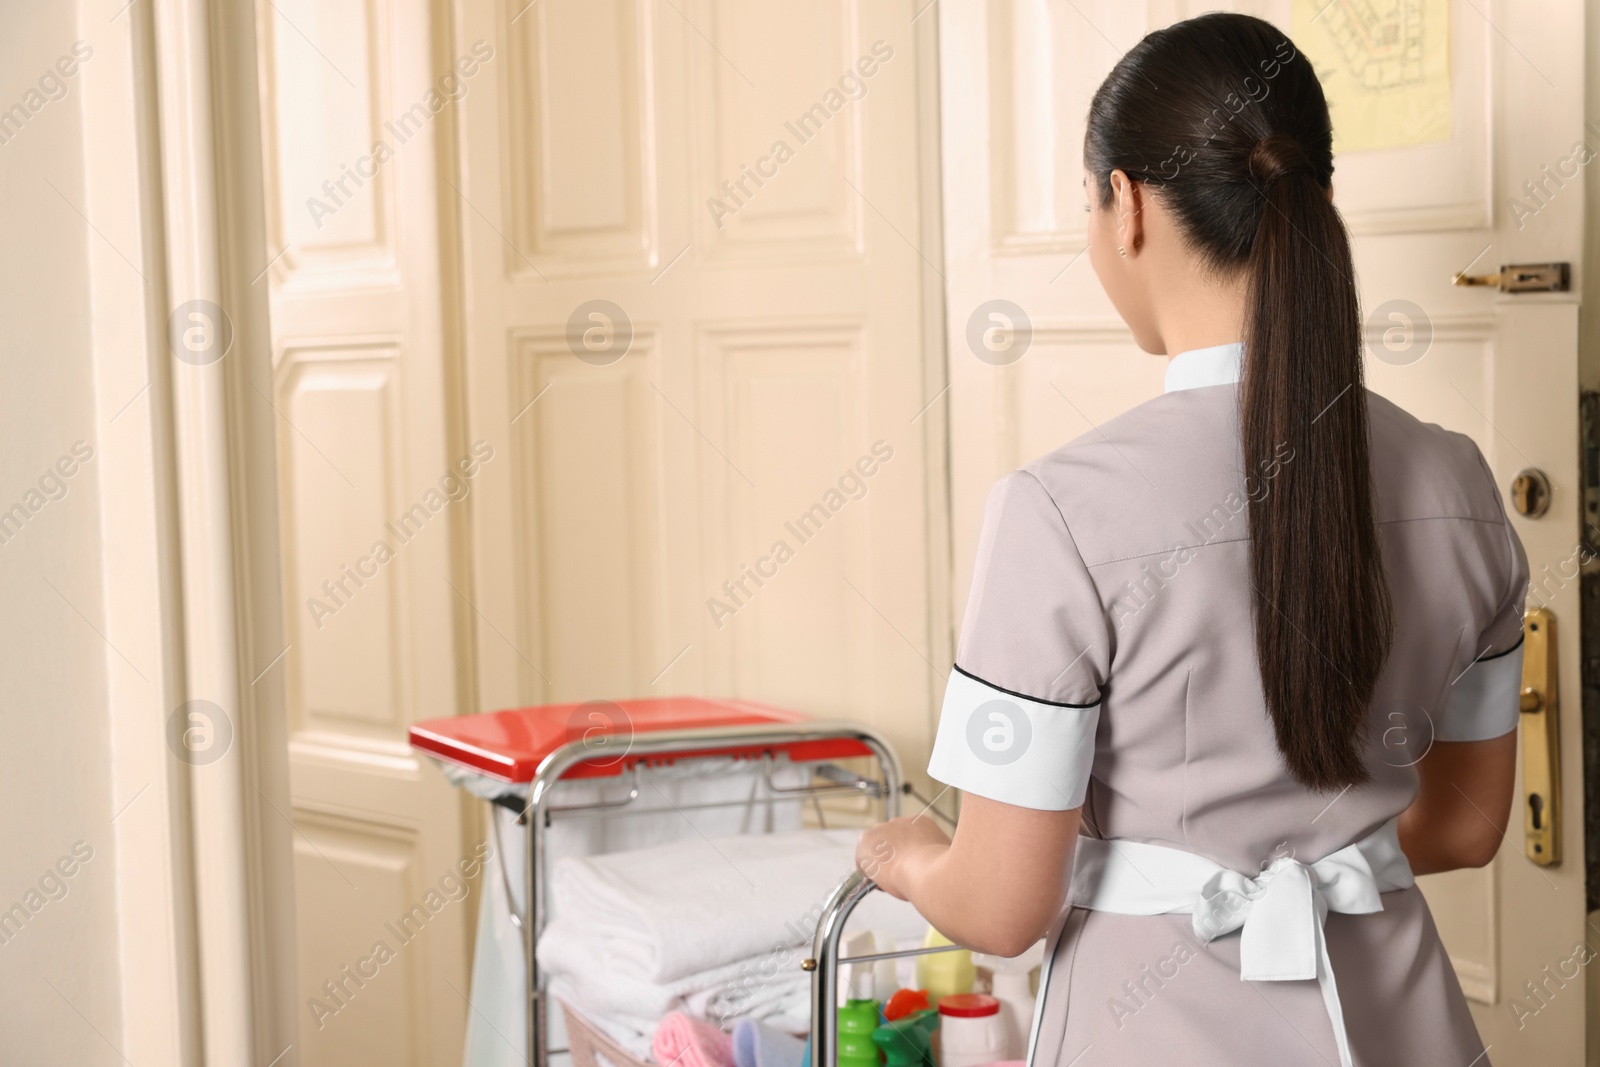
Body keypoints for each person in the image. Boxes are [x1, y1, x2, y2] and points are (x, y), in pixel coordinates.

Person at [856, 12, 1526, 1066]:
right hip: (1408, 1029)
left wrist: (905, 857)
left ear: (1123, 205)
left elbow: (998, 905)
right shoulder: (1458, 480)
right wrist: (1308, 855)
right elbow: (1462, 826)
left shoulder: (1059, 511)